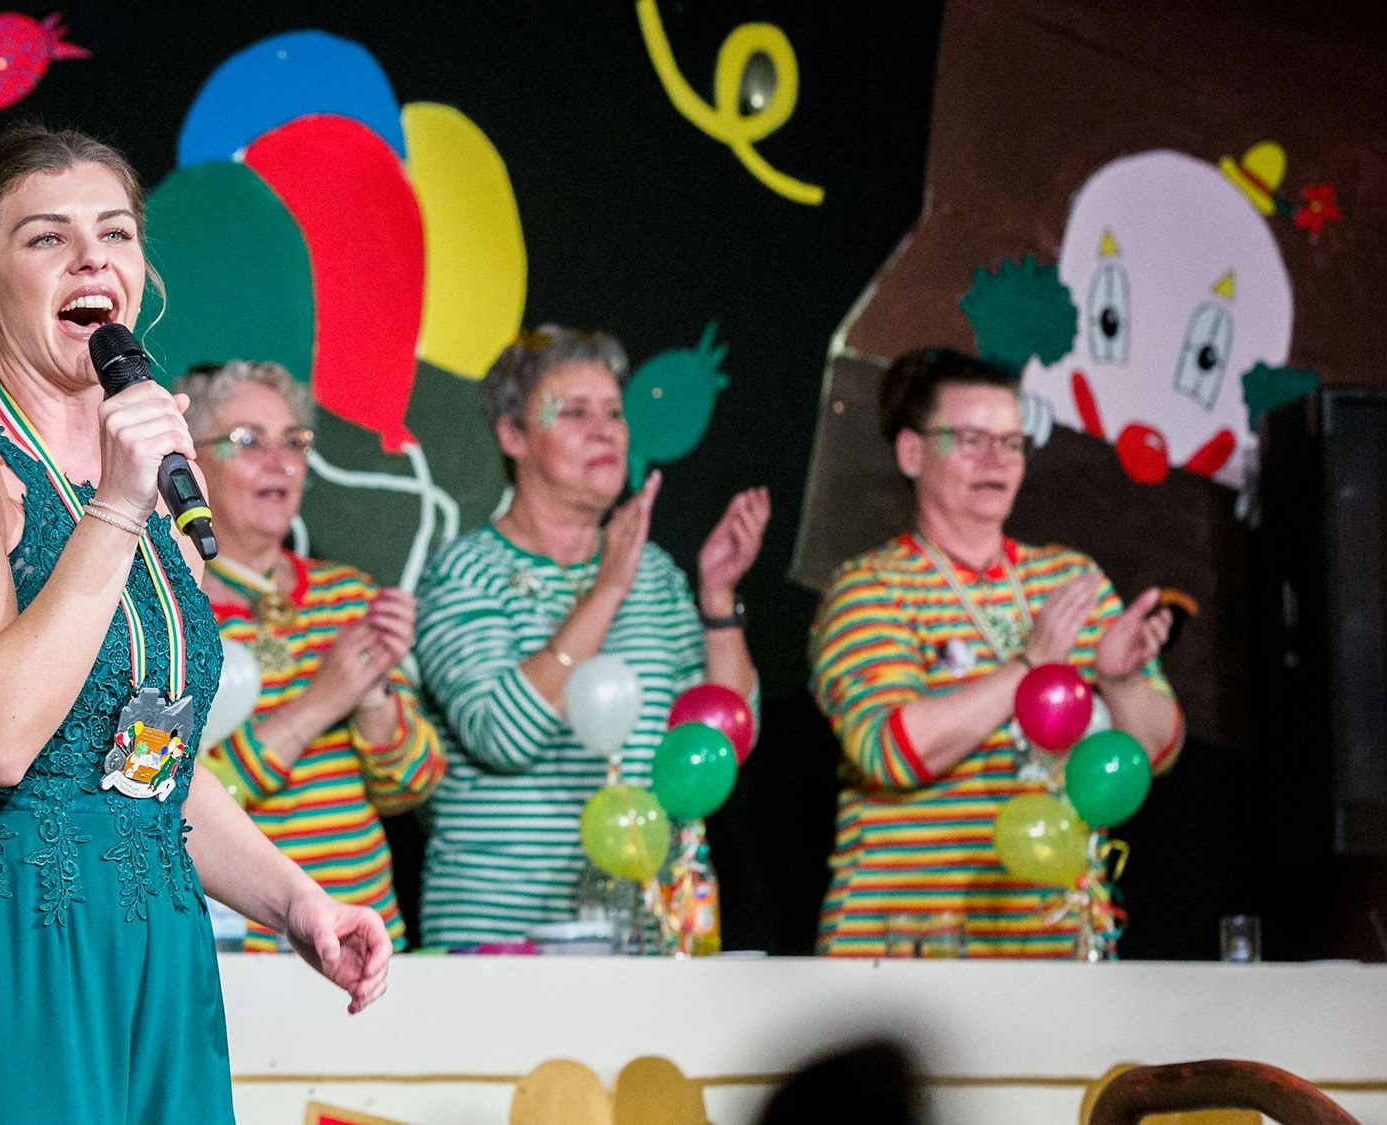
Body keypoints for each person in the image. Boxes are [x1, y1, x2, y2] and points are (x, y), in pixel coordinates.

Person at [0, 124, 389, 1122]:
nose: (90, 257)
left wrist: (295, 902)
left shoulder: (154, 494)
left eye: (112, 233)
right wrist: (113, 504)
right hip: (6, 937)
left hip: (157, 948)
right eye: (46, 238)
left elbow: (146, 771)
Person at [809, 347, 1181, 958]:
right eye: (973, 439)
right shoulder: (870, 588)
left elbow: (1158, 752)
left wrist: (1119, 682)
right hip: (908, 956)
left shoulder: (1069, 579)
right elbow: (891, 751)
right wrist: (1029, 668)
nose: (997, 461)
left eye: (1012, 442)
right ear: (911, 452)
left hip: (1056, 948)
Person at [413, 325, 769, 947]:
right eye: (574, 413)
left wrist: (717, 601)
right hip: (502, 937)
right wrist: (605, 590)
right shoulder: (465, 570)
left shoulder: (654, 573)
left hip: (649, 928)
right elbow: (502, 734)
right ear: (513, 435)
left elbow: (726, 740)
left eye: (613, 412)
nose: (604, 429)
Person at [180, 359, 445, 952]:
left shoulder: (348, 596)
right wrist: (321, 702)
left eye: (293, 442)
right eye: (248, 441)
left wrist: (372, 694)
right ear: (191, 463)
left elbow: (413, 783)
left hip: (363, 938)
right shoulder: (167, 612)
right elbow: (176, 801)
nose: (280, 462)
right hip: (231, 948)